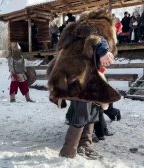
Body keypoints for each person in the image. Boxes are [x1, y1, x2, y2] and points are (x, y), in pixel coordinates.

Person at [47, 9, 121, 160]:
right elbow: (95, 38)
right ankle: (68, 151)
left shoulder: (75, 28)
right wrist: (104, 51)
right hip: (80, 76)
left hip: (76, 76)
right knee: (82, 112)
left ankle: (85, 145)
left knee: (93, 109)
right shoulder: (95, 26)